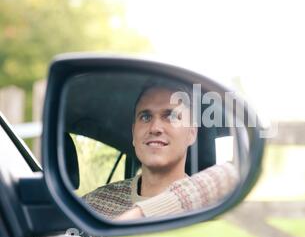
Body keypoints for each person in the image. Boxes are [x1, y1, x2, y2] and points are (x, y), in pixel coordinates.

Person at [83, 80, 239, 220]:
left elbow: (231, 174)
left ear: (191, 133)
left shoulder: (208, 202)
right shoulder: (97, 202)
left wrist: (140, 214)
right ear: (133, 133)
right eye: (145, 117)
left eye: (171, 116)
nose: (155, 128)